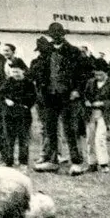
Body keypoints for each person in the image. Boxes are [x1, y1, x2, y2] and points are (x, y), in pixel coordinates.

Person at [30, 22, 88, 175]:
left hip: (68, 96)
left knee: (70, 129)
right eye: (52, 35)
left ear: (63, 35)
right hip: (49, 95)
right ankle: (51, 160)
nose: (55, 38)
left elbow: (83, 74)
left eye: (58, 35)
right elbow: (38, 71)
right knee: (50, 129)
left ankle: (76, 162)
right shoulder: (45, 51)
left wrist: (77, 90)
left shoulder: (73, 51)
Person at [0, 60, 36, 168]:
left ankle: (23, 162)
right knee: (9, 139)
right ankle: (8, 161)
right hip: (9, 115)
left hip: (23, 115)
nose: (15, 74)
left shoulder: (29, 83)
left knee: (23, 139)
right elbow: (1, 94)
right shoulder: (8, 81)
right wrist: (6, 100)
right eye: (13, 72)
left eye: (17, 72)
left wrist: (22, 104)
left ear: (23, 71)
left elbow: (32, 98)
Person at [83, 65, 110, 172]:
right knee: (90, 139)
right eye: (96, 74)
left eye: (101, 74)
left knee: (100, 138)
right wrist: (86, 101)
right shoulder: (90, 82)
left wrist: (103, 103)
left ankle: (103, 163)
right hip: (90, 113)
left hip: (104, 114)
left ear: (106, 73)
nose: (98, 76)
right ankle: (91, 163)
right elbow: (85, 95)